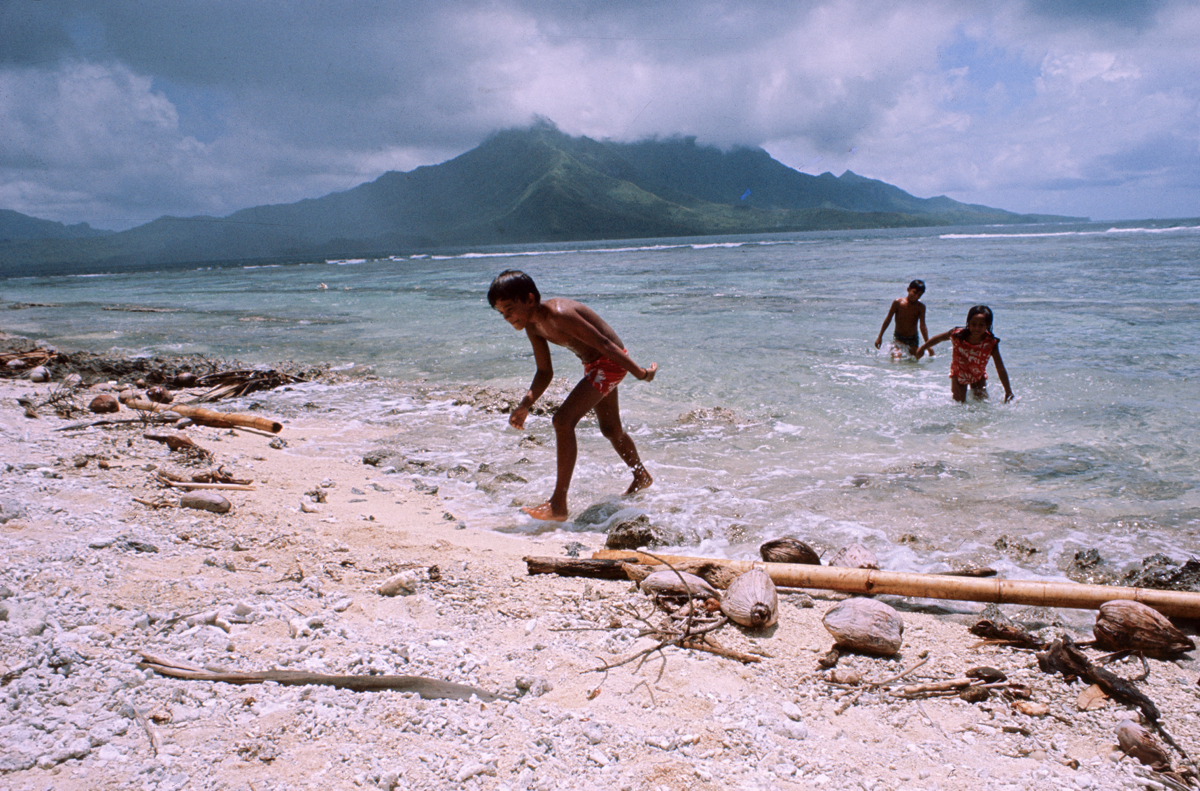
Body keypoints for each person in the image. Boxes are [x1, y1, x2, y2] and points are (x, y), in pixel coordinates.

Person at [488, 270, 657, 521]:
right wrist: (525, 404)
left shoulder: (559, 314)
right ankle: (641, 475)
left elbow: (605, 344)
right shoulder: (532, 326)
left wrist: (641, 373)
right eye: (501, 313)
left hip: (610, 361)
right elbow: (544, 372)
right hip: (594, 366)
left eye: (510, 309)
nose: (506, 317)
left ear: (530, 299)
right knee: (611, 429)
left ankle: (558, 504)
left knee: (562, 420)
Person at [916, 305, 1013, 403]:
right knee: (959, 404)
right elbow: (938, 338)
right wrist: (923, 348)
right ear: (968, 323)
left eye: (981, 325)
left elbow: (1000, 367)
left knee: (981, 403)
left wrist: (1008, 391)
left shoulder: (990, 343)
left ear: (988, 325)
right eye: (973, 324)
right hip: (959, 374)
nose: (976, 328)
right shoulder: (958, 335)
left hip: (978, 375)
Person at [875, 279, 931, 359]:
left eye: (919, 295)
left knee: (916, 358)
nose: (916, 296)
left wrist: (928, 345)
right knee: (896, 357)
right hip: (899, 338)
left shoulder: (921, 307)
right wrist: (880, 337)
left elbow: (922, 326)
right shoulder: (898, 303)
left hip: (913, 339)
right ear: (908, 289)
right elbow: (888, 319)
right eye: (914, 292)